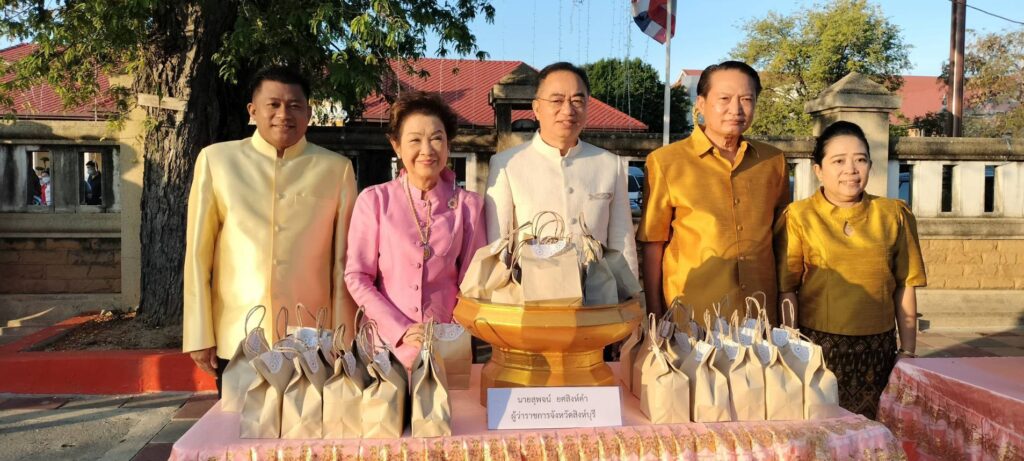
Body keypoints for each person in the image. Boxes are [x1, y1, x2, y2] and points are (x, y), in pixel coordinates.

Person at [182, 65, 358, 393]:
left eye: (294, 106)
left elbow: (343, 262)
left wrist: (342, 336)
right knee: (237, 424)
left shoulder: (336, 169)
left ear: (309, 112)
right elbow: (197, 256)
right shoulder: (217, 161)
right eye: (273, 105)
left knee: (307, 425)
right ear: (252, 110)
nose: (283, 114)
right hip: (238, 332)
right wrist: (198, 333)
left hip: (311, 336)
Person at [775, 120, 926, 418]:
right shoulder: (799, 216)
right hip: (818, 350)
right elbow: (787, 289)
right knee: (821, 431)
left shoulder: (893, 214)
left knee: (874, 432)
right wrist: (791, 349)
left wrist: (907, 351)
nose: (851, 170)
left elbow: (905, 284)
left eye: (860, 160)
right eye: (839, 161)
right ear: (819, 170)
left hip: (878, 351)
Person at [639, 61, 789, 323]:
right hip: (693, 315)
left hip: (760, 313)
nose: (736, 109)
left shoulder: (773, 162)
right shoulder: (666, 162)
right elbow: (653, 244)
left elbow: (782, 240)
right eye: (724, 99)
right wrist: (655, 317)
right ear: (701, 103)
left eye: (746, 99)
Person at [345, 91, 487, 367]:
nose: (427, 150)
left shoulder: (468, 206)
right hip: (386, 347)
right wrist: (399, 328)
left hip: (447, 348)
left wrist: (448, 334)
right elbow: (357, 276)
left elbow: (475, 282)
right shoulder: (375, 201)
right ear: (396, 146)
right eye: (415, 140)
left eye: (436, 138)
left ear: (448, 145)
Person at [486, 61, 638, 278]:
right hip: (530, 291)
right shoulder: (507, 165)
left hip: (596, 292)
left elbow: (622, 241)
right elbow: (498, 245)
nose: (568, 110)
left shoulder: (609, 164)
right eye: (557, 100)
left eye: (577, 101)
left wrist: (630, 293)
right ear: (536, 108)